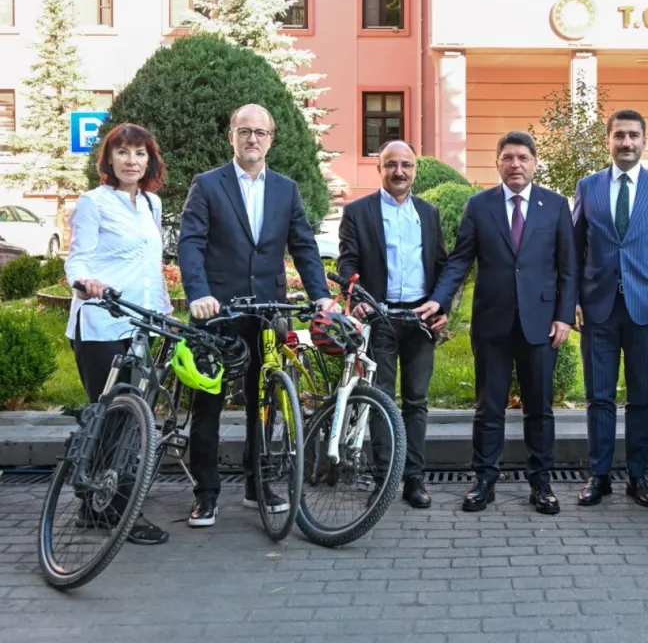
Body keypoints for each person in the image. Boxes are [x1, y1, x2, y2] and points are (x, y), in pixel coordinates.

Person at [177, 103, 333, 528]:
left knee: (264, 404)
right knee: (208, 404)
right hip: (216, 313)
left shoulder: (286, 189)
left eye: (260, 133)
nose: (252, 139)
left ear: (271, 140)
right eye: (244, 131)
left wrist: (321, 297)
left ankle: (257, 485)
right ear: (231, 136)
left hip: (266, 313)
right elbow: (190, 242)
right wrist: (198, 293)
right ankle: (206, 495)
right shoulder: (208, 184)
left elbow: (303, 246)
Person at [418, 131, 578, 515]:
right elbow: (460, 260)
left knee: (540, 409)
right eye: (508, 157)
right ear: (497, 164)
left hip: (541, 324)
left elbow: (569, 268)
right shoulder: (479, 205)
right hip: (493, 324)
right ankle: (484, 480)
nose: (515, 164)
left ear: (535, 163)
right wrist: (439, 299)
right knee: (489, 408)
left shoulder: (556, 205)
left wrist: (564, 316)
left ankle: (541, 483)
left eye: (523, 157)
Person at [65, 123, 172, 545]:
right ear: (109, 159)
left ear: (150, 160)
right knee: (110, 415)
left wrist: (164, 314)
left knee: (132, 419)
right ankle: (114, 508)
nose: (132, 161)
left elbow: (150, 268)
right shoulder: (93, 203)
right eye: (123, 152)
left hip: (141, 324)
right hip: (101, 323)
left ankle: (96, 503)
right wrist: (84, 283)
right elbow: (78, 257)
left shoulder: (151, 203)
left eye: (140, 153)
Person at [572, 109, 648, 508]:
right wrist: (573, 301)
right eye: (619, 135)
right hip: (598, 308)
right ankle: (599, 477)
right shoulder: (588, 187)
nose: (626, 142)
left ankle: (638, 476)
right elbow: (573, 248)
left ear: (644, 141)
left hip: (647, 309)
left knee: (643, 399)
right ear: (608, 141)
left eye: (634, 135)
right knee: (598, 397)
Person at [337, 140, 449, 509]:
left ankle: (414, 479)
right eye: (391, 165)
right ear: (379, 169)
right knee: (381, 399)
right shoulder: (358, 212)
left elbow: (441, 264)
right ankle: (385, 479)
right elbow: (347, 262)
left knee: (416, 401)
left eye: (406, 165)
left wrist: (442, 306)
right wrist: (356, 297)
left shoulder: (428, 213)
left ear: (415, 169)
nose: (399, 172)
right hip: (379, 316)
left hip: (420, 319)